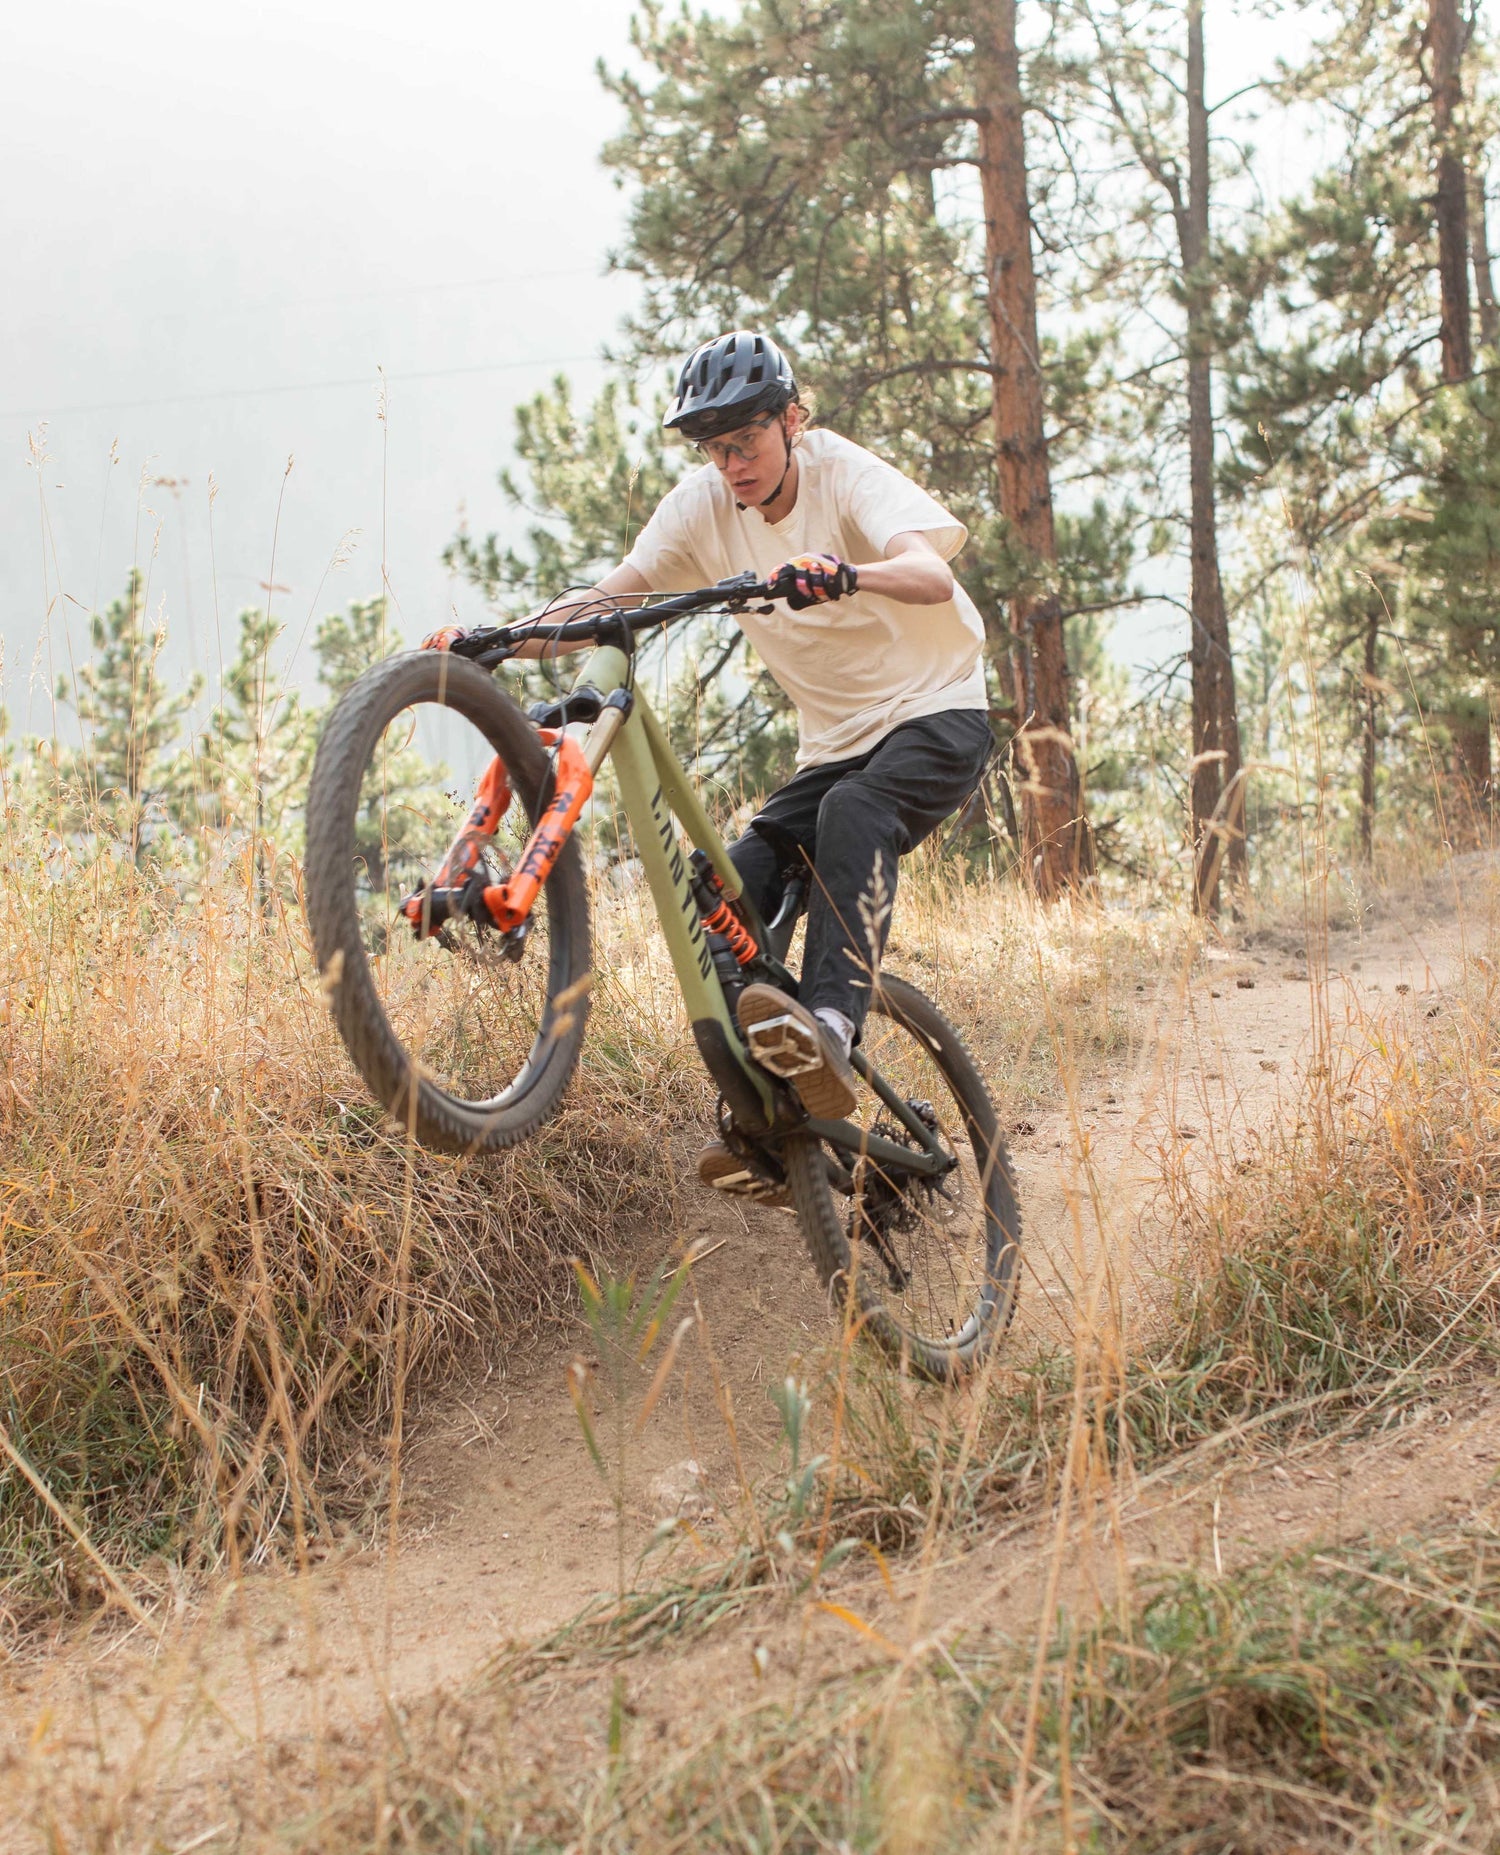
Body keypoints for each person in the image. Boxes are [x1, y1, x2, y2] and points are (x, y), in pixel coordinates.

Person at [442, 329, 993, 1195]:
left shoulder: (843, 473)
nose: (732, 463)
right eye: (715, 447)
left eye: (748, 441)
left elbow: (929, 572)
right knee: (724, 887)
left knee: (855, 813)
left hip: (938, 710)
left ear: (792, 421)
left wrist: (846, 572)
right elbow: (612, 597)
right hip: (836, 744)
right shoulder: (702, 506)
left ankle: (830, 1032)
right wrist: (502, 643)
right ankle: (779, 1125)